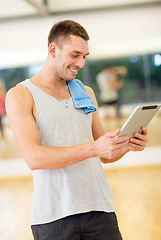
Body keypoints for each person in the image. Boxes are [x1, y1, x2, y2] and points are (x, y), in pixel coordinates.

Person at [5, 20, 148, 240]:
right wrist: (94, 148)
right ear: (53, 49)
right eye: (75, 55)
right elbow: (34, 158)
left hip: (100, 210)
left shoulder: (86, 92)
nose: (80, 63)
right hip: (54, 217)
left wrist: (127, 145)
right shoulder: (21, 95)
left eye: (84, 56)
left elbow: (104, 154)